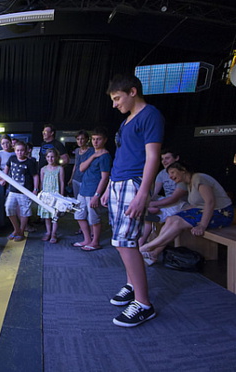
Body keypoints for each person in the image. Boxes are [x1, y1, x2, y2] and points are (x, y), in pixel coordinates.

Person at [101, 73, 163, 327]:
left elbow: (152, 158)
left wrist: (143, 193)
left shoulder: (151, 115)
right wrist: (107, 188)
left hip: (133, 184)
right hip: (117, 183)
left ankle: (144, 304)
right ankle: (131, 284)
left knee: (125, 242)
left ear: (133, 92)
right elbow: (122, 155)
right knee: (121, 241)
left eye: (117, 98)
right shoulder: (127, 122)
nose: (115, 104)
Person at [139, 161, 234, 264]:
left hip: (222, 213)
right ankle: (154, 254)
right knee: (171, 219)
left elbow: (210, 202)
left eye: (172, 172)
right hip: (203, 211)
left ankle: (148, 247)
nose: (170, 177)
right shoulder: (187, 184)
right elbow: (196, 205)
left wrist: (202, 225)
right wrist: (178, 214)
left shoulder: (199, 178)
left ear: (183, 170)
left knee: (178, 223)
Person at [138, 149, 188, 247]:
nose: (164, 161)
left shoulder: (182, 173)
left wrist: (153, 204)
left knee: (150, 211)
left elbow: (174, 198)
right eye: (162, 159)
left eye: (167, 158)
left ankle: (147, 243)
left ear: (176, 158)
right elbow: (155, 192)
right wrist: (147, 201)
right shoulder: (162, 173)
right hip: (167, 200)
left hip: (181, 203)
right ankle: (141, 242)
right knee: (146, 204)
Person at [72, 127, 111, 251]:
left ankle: (95, 242)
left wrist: (97, 195)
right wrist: (94, 156)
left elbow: (105, 178)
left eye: (98, 139)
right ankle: (87, 239)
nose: (95, 142)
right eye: (94, 139)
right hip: (83, 190)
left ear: (104, 140)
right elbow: (81, 168)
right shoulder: (92, 153)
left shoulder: (105, 156)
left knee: (94, 218)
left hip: (93, 191)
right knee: (79, 215)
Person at [0, 140, 39, 242]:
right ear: (15, 150)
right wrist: (4, 178)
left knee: (24, 211)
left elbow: (35, 176)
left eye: (22, 150)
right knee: (8, 208)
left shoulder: (30, 162)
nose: (19, 152)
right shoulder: (12, 158)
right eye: (17, 150)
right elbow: (6, 168)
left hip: (25, 191)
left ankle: (21, 231)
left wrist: (35, 189)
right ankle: (16, 229)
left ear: (26, 151)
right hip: (12, 190)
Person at [38, 148, 64, 243]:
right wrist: (41, 194)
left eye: (52, 157)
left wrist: (61, 195)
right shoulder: (43, 169)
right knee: (47, 216)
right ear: (46, 158)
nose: (50, 159)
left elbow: (61, 182)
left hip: (56, 195)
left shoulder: (60, 169)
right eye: (48, 157)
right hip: (46, 195)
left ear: (56, 157)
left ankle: (54, 233)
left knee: (55, 215)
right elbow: (41, 182)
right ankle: (48, 232)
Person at [68, 130, 94, 198]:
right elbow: (76, 165)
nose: (80, 141)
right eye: (78, 139)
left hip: (86, 178)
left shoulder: (91, 151)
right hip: (76, 178)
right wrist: (71, 178)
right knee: (77, 198)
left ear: (86, 139)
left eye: (82, 139)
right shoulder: (77, 150)